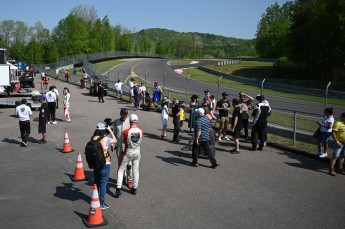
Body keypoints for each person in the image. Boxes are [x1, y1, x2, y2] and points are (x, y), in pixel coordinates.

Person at [115, 114, 144, 198]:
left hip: (128, 152)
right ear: (137, 121)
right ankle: (134, 188)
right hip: (137, 151)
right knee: (136, 170)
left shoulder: (126, 132)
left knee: (121, 169)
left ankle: (118, 188)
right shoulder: (141, 131)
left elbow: (121, 142)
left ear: (130, 121)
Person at [91, 122, 116, 209]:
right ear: (103, 130)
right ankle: (101, 204)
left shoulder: (93, 138)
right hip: (105, 164)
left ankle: (95, 199)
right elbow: (115, 140)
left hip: (96, 164)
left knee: (96, 183)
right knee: (103, 184)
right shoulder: (105, 139)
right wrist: (110, 131)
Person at [113, 108, 132, 189]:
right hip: (119, 146)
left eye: (126, 114)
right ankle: (123, 178)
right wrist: (113, 144)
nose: (125, 116)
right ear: (120, 114)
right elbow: (114, 134)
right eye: (123, 114)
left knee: (129, 164)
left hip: (127, 146)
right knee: (121, 164)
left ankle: (129, 180)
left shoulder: (129, 122)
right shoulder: (116, 122)